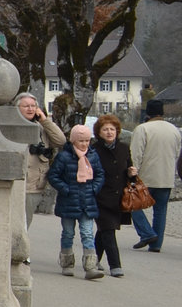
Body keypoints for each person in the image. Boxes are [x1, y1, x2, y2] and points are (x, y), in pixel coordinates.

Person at [46, 123, 105, 280]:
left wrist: (94, 189)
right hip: (69, 202)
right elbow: (53, 176)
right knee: (68, 233)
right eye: (81, 141)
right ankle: (67, 262)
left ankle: (90, 266)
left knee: (87, 233)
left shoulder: (93, 155)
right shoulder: (64, 156)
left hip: (87, 201)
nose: (85, 144)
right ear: (73, 141)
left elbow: (100, 174)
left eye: (87, 140)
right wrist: (66, 189)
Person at [130, 100, 181, 252]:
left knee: (133, 205)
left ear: (148, 113)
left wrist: (133, 173)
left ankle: (146, 233)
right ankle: (156, 244)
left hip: (146, 177)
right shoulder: (174, 130)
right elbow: (177, 153)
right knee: (161, 210)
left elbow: (136, 154)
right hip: (166, 176)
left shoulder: (143, 129)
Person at [91, 114, 136, 277]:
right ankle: (115, 265)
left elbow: (129, 167)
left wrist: (132, 173)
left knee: (104, 230)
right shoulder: (94, 150)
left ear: (117, 131)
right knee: (108, 229)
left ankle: (92, 259)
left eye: (112, 129)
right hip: (100, 196)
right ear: (99, 132)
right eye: (105, 129)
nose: (109, 132)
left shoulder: (123, 147)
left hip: (119, 197)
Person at [17, 92, 66, 225]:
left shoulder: (42, 127)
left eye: (33, 106)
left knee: (26, 222)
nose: (30, 109)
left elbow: (60, 140)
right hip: (16, 182)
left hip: (34, 185)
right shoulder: (11, 126)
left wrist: (45, 121)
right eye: (26, 106)